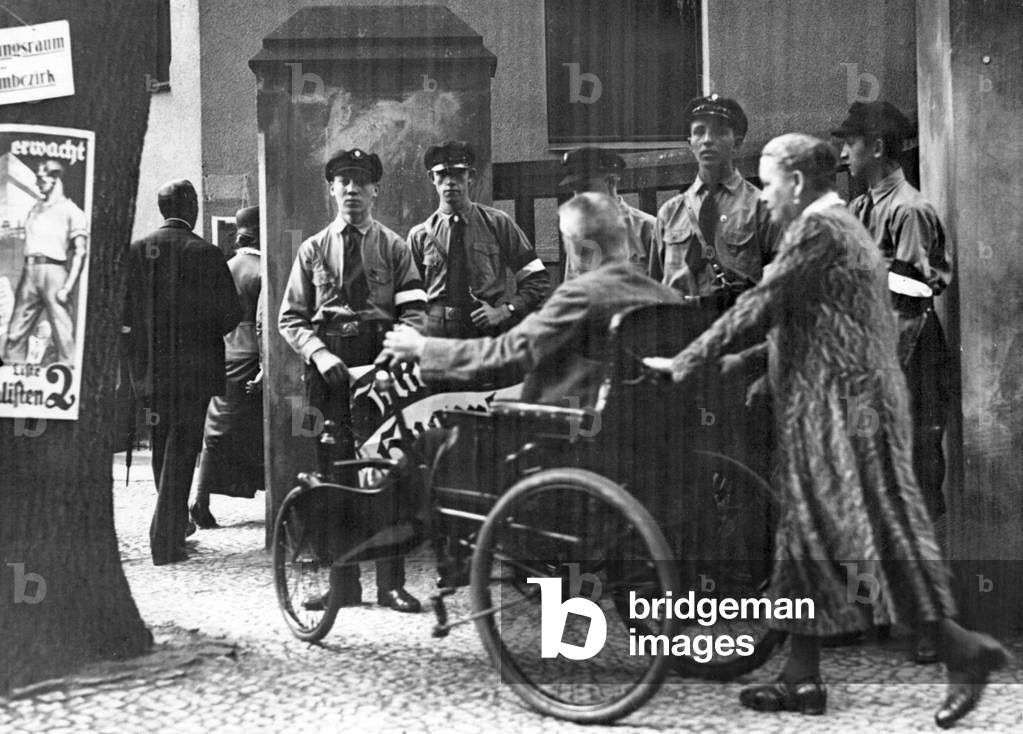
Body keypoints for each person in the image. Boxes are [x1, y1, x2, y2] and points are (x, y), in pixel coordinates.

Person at [645, 134, 1010, 728]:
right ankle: (802, 677)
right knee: (803, 537)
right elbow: (811, 320)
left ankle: (961, 650)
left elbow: (761, 304)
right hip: (835, 404)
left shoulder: (819, 229)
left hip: (848, 409)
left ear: (794, 182)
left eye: (769, 183)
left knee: (879, 533)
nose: (764, 197)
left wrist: (686, 362)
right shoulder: (839, 227)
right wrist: (747, 364)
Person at [278, 148, 428, 613]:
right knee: (334, 474)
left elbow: (415, 314)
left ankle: (390, 583)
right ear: (332, 190)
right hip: (330, 372)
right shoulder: (313, 249)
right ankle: (343, 583)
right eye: (343, 183)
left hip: (382, 368)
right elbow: (290, 318)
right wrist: (320, 354)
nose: (352, 191)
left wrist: (386, 365)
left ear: (375, 190)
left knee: (388, 471)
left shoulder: (394, 247)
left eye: (361, 183)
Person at [379, 192, 682, 409]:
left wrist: (422, 348)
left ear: (580, 247)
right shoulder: (668, 297)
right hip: (639, 432)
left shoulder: (581, 295)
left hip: (567, 429)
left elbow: (509, 352)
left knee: (433, 439)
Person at [833, 100, 952, 529]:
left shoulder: (909, 209)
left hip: (910, 355)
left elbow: (916, 290)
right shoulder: (860, 209)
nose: (843, 153)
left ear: (878, 147)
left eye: (851, 143)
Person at [124, 180, 241, 565]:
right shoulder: (206, 253)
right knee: (182, 450)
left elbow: (123, 313)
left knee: (163, 447)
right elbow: (230, 315)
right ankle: (165, 539)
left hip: (150, 373)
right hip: (194, 374)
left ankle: (175, 528)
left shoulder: (137, 251)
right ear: (191, 207)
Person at [407, 140, 550, 340]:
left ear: (471, 176)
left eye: (458, 173)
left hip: (483, 331)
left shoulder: (497, 223)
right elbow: (408, 297)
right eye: (442, 174)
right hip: (435, 333)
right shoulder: (420, 235)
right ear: (432, 177)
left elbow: (537, 279)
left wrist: (506, 310)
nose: (450, 181)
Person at [649, 95, 778, 305]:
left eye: (719, 132)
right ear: (690, 143)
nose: (708, 140)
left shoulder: (762, 207)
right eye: (699, 132)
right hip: (680, 321)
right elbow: (655, 288)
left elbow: (779, 285)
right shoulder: (669, 213)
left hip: (735, 318)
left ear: (737, 143)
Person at [189, 206, 265, 529]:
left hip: (223, 355)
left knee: (216, 431)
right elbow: (262, 324)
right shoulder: (264, 271)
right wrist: (265, 364)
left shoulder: (224, 268)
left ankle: (201, 499)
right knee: (264, 430)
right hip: (252, 357)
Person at [3, 160, 88, 365]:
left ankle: (66, 371)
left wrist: (67, 287)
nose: (38, 184)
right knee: (15, 332)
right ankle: (12, 376)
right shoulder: (35, 209)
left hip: (54, 272)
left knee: (63, 333)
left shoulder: (72, 211)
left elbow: (80, 251)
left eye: (42, 179)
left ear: (55, 179)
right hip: (30, 270)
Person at [558, 147, 655, 279]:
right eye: (574, 189)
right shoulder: (580, 231)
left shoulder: (647, 227)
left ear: (611, 182)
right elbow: (573, 284)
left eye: (585, 188)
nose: (578, 197)